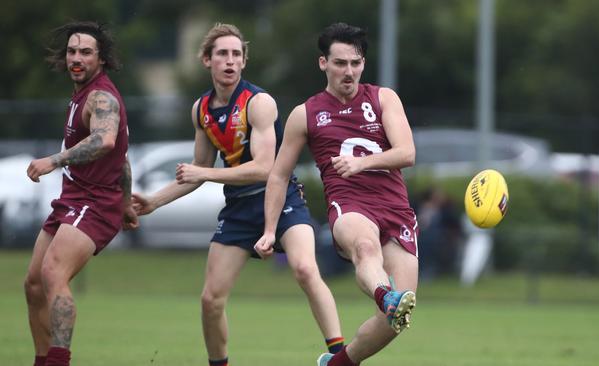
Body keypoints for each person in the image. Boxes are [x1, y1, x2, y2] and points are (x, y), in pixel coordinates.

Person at [131, 23, 343, 366]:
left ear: (244, 62)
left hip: (281, 199)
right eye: (222, 54)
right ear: (207, 60)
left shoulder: (259, 103)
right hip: (239, 209)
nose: (230, 61)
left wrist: (205, 173)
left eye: (236, 55)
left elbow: (263, 167)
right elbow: (196, 171)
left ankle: (340, 356)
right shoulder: (201, 109)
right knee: (211, 300)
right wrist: (153, 202)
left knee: (305, 268)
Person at [254, 22, 419, 366]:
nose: (349, 71)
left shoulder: (383, 98)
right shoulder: (306, 114)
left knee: (398, 318)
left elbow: (407, 153)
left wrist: (362, 164)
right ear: (323, 63)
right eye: (340, 63)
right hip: (351, 205)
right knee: (365, 248)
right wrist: (270, 231)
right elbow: (279, 175)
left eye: (355, 63)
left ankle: (338, 363)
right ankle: (383, 294)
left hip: (396, 207)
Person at [24, 21, 138, 366]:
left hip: (94, 203)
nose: (77, 58)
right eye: (72, 51)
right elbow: (123, 156)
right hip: (76, 200)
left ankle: (59, 361)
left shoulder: (101, 96)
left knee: (53, 273)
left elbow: (105, 141)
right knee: (33, 285)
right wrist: (128, 202)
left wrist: (53, 161)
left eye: (86, 52)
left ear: (100, 59)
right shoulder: (81, 95)